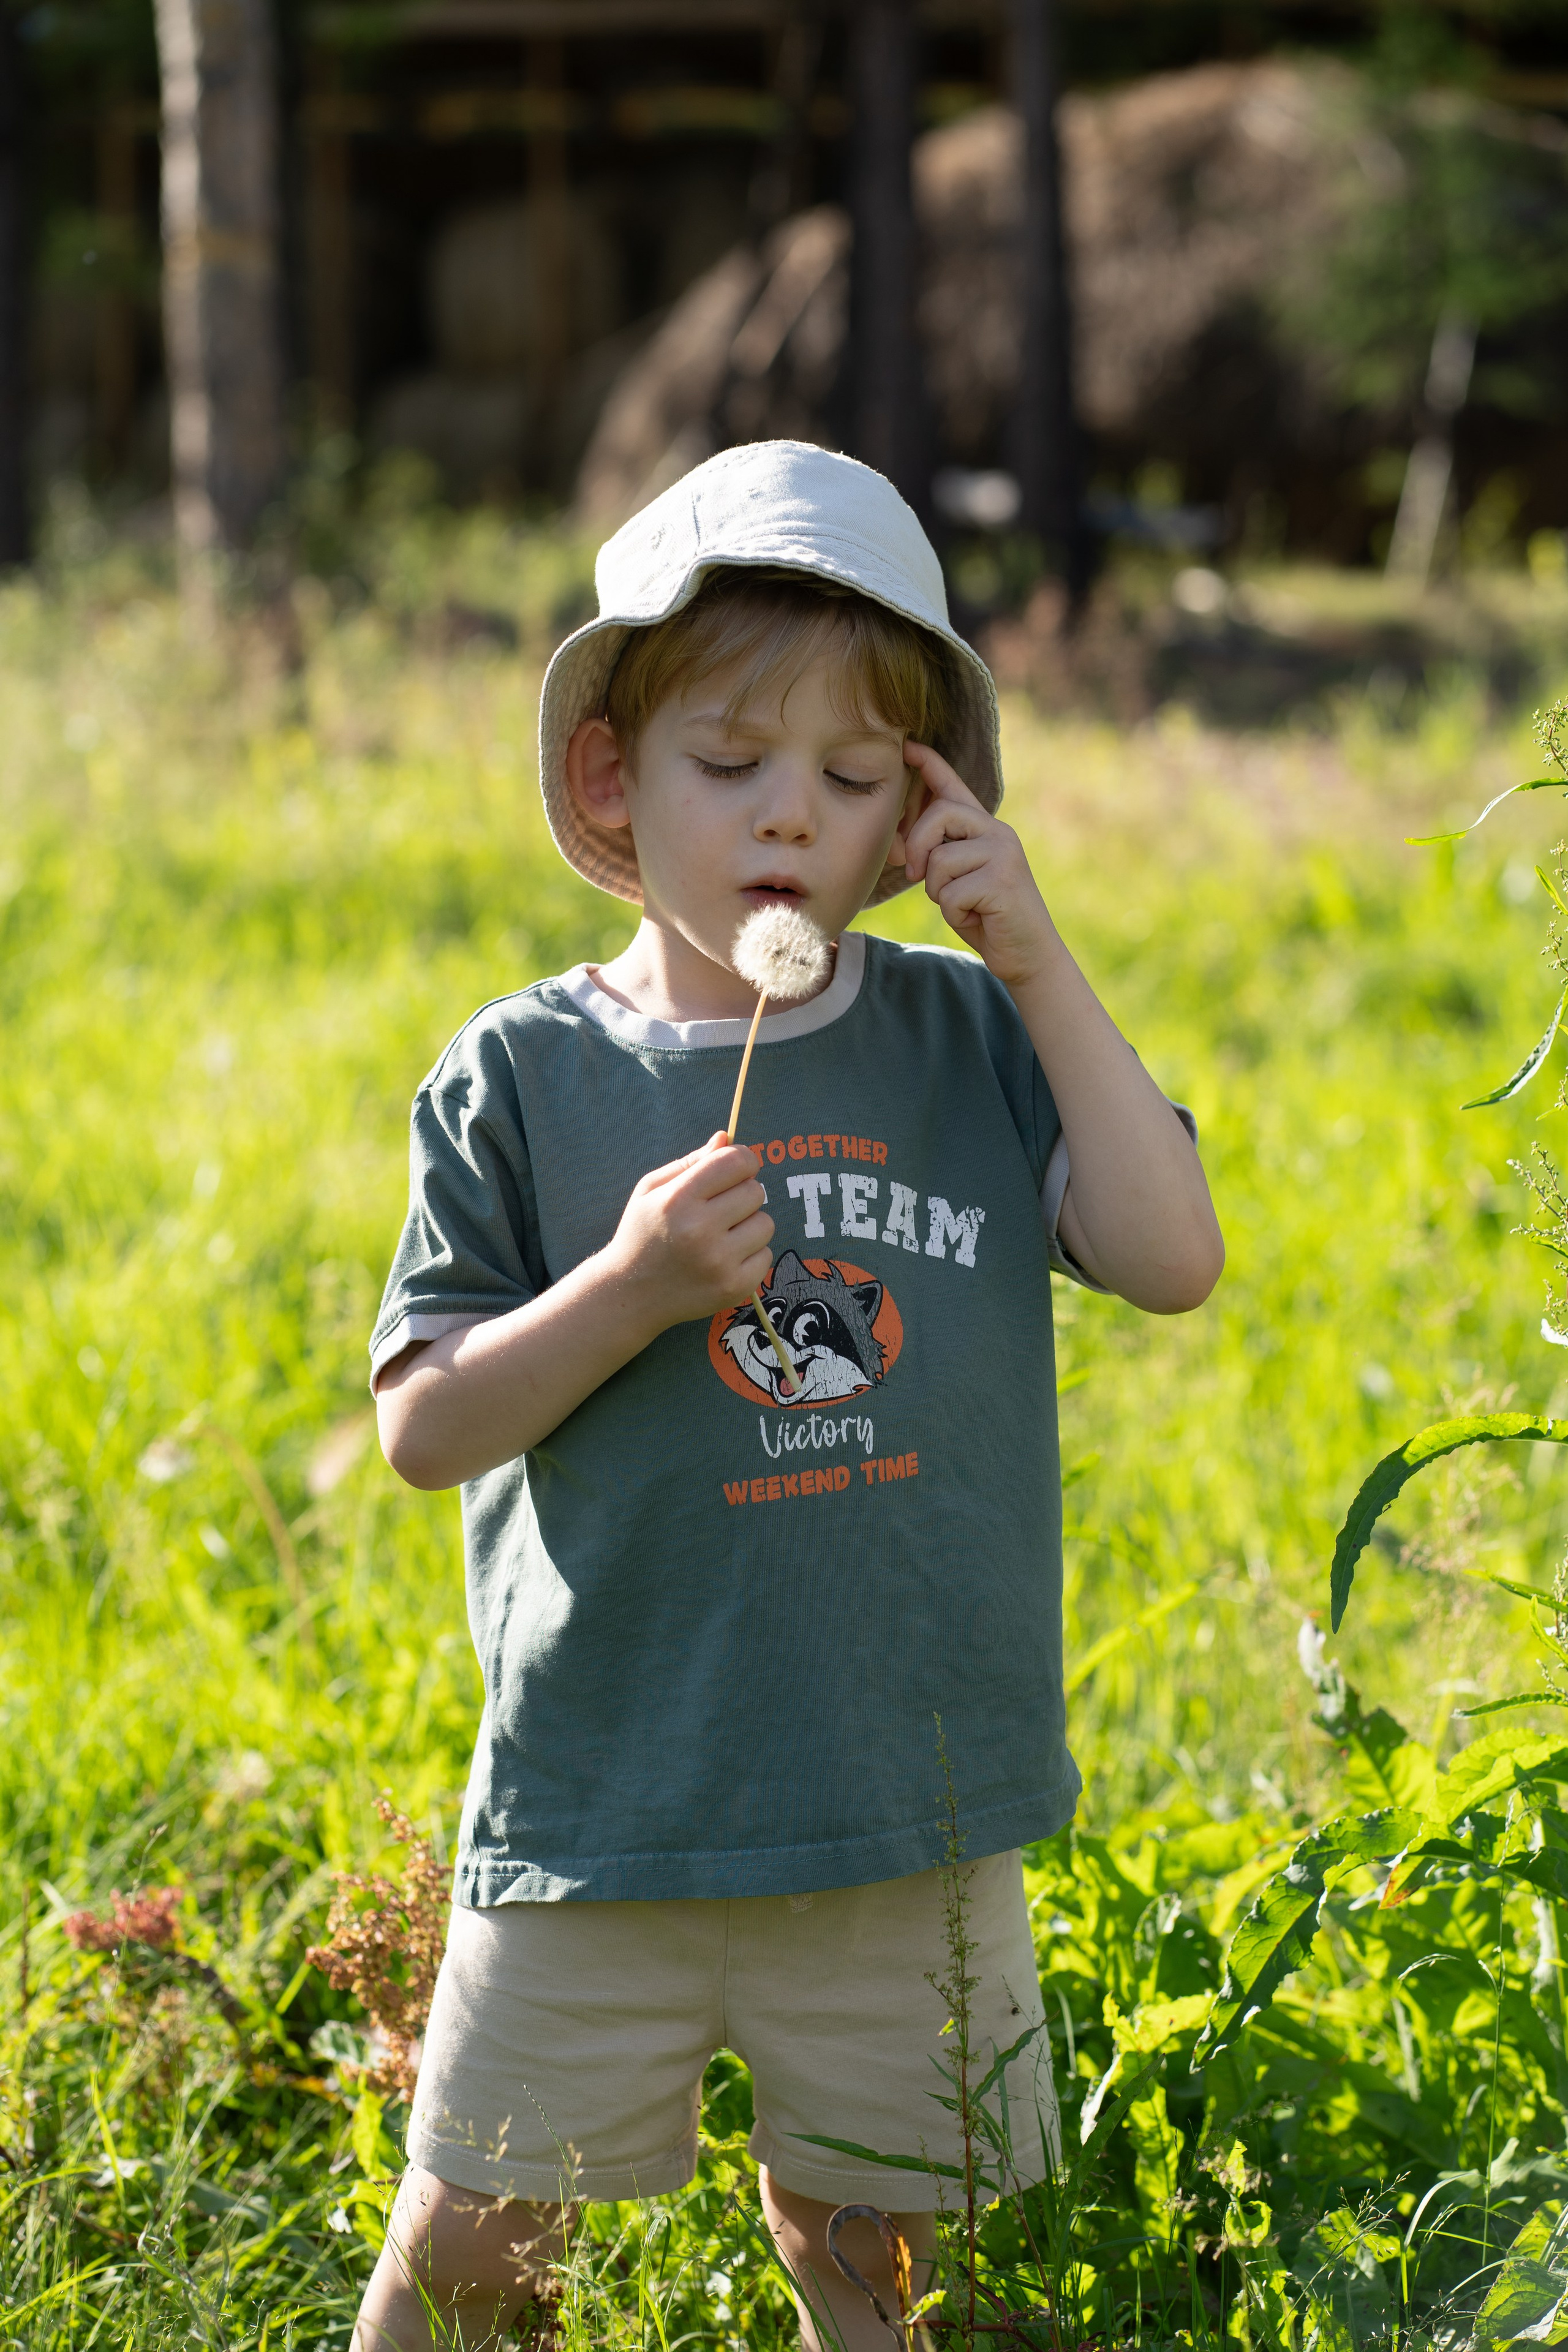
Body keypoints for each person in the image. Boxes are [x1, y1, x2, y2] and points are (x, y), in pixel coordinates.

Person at [356, 440, 1223, 2351]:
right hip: (607, 1806)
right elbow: (425, 1428)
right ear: (612, 777)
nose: (787, 817)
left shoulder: (969, 1037)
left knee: (886, 2259)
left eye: (851, 779)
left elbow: (1174, 1257)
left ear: (921, 808)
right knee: (481, 2251)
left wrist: (1035, 958)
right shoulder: (519, 1079)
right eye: (731, 761)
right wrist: (631, 1290)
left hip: (905, 1812)